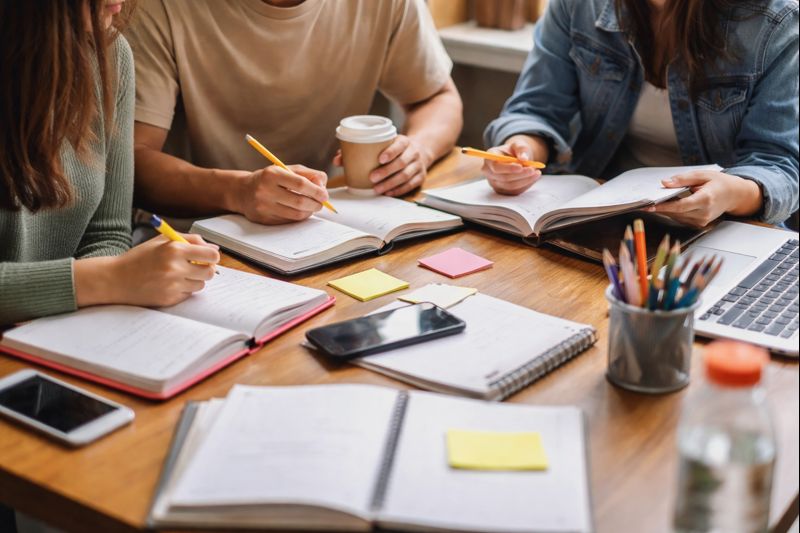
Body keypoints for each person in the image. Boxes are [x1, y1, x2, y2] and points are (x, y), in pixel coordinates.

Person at [127, 0, 463, 225]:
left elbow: (438, 98)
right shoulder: (158, 6)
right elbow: (133, 161)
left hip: (323, 223)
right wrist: (238, 192)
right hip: (197, 237)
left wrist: (418, 149)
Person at [483, 0, 799, 227]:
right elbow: (536, 109)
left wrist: (730, 193)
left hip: (722, 229)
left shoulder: (776, 22)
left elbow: (781, 166)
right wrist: (521, 150)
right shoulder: (577, 6)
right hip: (600, 216)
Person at [0, 0, 220, 326]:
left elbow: (108, 233)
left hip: (62, 334)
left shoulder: (110, 54)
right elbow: (108, 269)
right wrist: (109, 278)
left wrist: (122, 277)